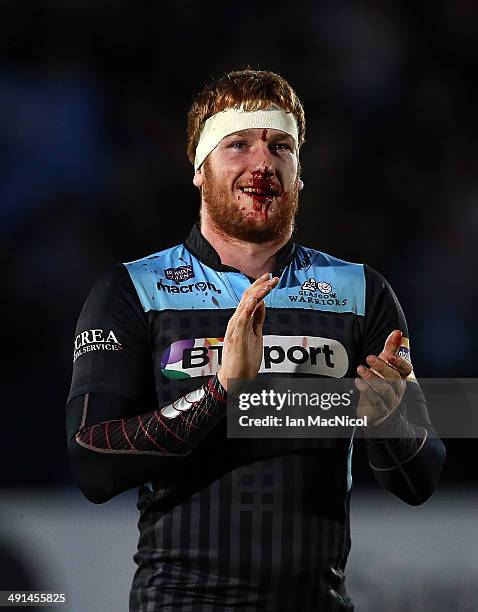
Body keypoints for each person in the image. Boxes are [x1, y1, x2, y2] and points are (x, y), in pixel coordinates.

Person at [66, 69, 446, 611]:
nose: (261, 163)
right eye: (238, 144)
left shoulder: (359, 291)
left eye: (281, 146)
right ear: (199, 169)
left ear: (300, 173)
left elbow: (421, 478)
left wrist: (391, 423)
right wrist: (222, 393)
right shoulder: (134, 290)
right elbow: (91, 461)